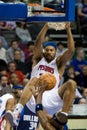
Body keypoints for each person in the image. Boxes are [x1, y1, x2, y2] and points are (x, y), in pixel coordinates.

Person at [6, 23, 76, 128]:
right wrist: (46, 26)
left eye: (51, 50)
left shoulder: (59, 64)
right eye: (46, 50)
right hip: (35, 95)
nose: (48, 52)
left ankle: (64, 114)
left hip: (51, 98)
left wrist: (68, 30)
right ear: (44, 51)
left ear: (55, 52)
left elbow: (70, 51)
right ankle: (17, 113)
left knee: (71, 83)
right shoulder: (38, 59)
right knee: (34, 79)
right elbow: (38, 43)